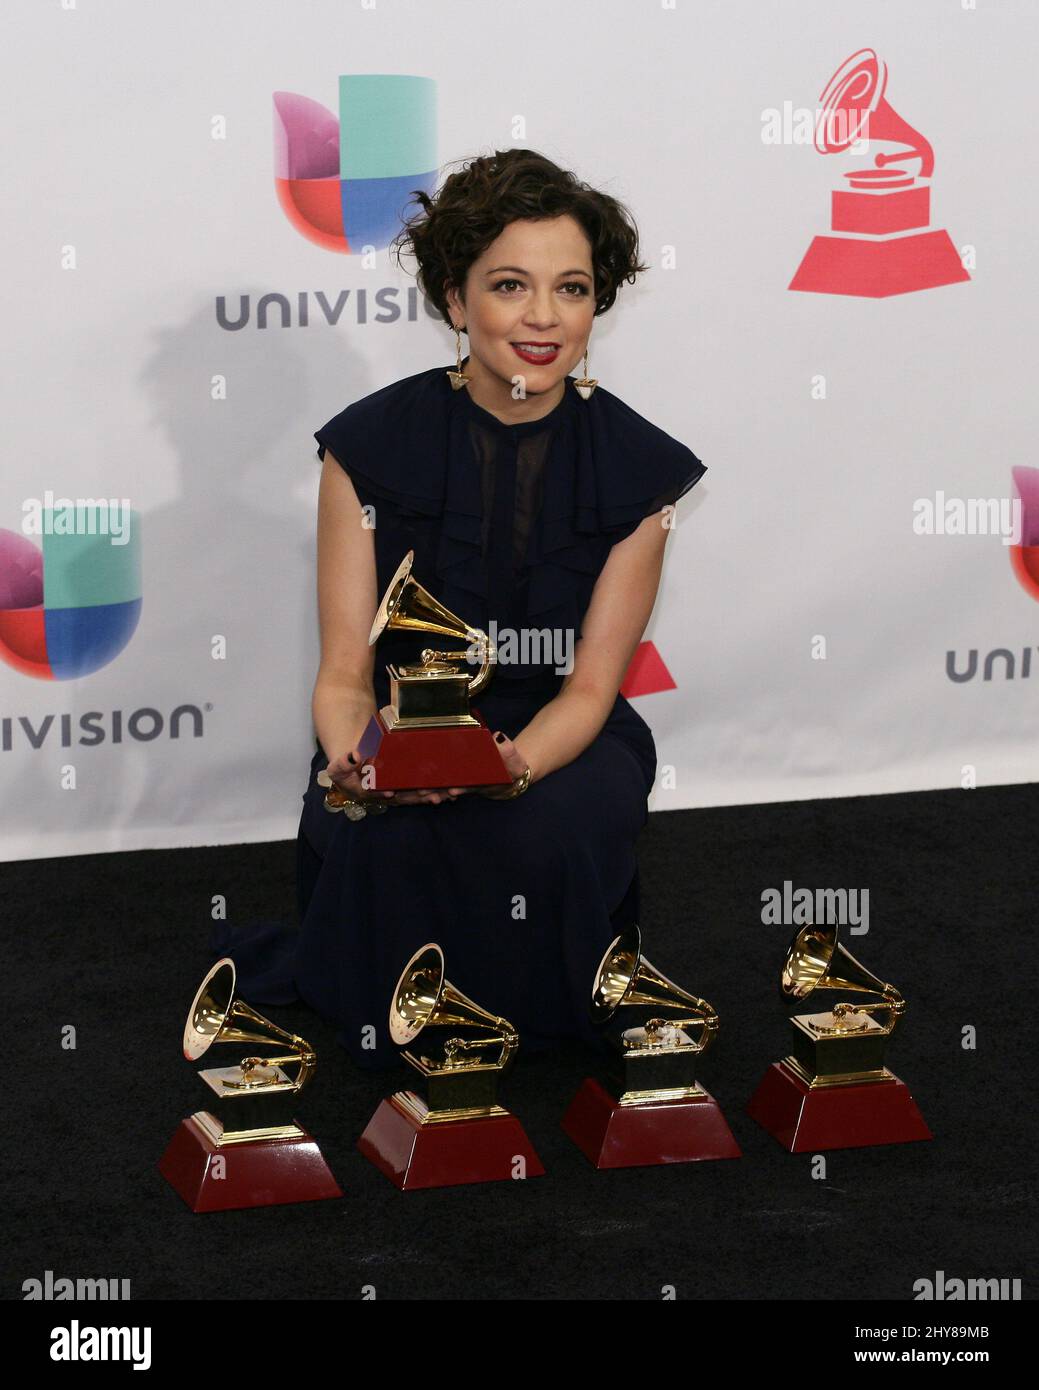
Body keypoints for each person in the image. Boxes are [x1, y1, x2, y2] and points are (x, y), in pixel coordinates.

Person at [213, 148, 707, 1072]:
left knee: (535, 835)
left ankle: (529, 1016)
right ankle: (404, 1015)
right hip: (407, 728)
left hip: (560, 734)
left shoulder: (640, 469)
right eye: (509, 285)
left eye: (571, 288)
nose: (543, 317)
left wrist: (509, 768)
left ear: (598, 305)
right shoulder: (367, 446)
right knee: (383, 830)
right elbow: (341, 678)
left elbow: (594, 686)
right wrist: (361, 759)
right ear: (454, 299)